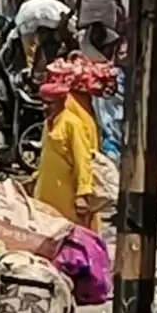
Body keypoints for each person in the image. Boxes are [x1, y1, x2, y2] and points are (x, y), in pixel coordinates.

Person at [34, 57, 112, 228]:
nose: (45, 108)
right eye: (43, 104)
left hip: (68, 196)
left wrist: (83, 194)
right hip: (47, 193)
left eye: (50, 104)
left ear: (63, 102)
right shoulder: (49, 123)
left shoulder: (73, 124)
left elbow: (82, 160)